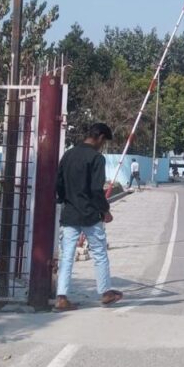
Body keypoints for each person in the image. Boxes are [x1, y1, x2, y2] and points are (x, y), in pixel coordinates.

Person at [54, 122, 123, 311]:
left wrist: (64, 200)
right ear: (100, 137)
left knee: (67, 256)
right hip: (90, 214)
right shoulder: (97, 158)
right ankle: (106, 292)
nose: (103, 146)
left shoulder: (68, 155)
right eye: (104, 142)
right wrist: (105, 210)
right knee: (99, 253)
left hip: (70, 213)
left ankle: (61, 297)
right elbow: (96, 189)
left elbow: (59, 183)